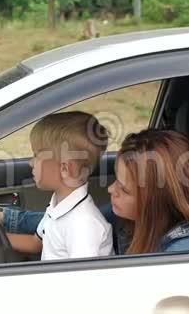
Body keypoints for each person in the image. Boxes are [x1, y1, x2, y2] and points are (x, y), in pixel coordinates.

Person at [0, 129, 189, 255]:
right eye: (116, 180)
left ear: (154, 201)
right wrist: (1, 219)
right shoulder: (129, 217)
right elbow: (66, 222)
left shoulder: (187, 254)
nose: (110, 189)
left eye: (123, 189)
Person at [6, 111, 114, 260]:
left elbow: (82, 279)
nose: (31, 162)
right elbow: (35, 243)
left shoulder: (83, 225)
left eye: (37, 155)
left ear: (65, 169)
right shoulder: (58, 205)